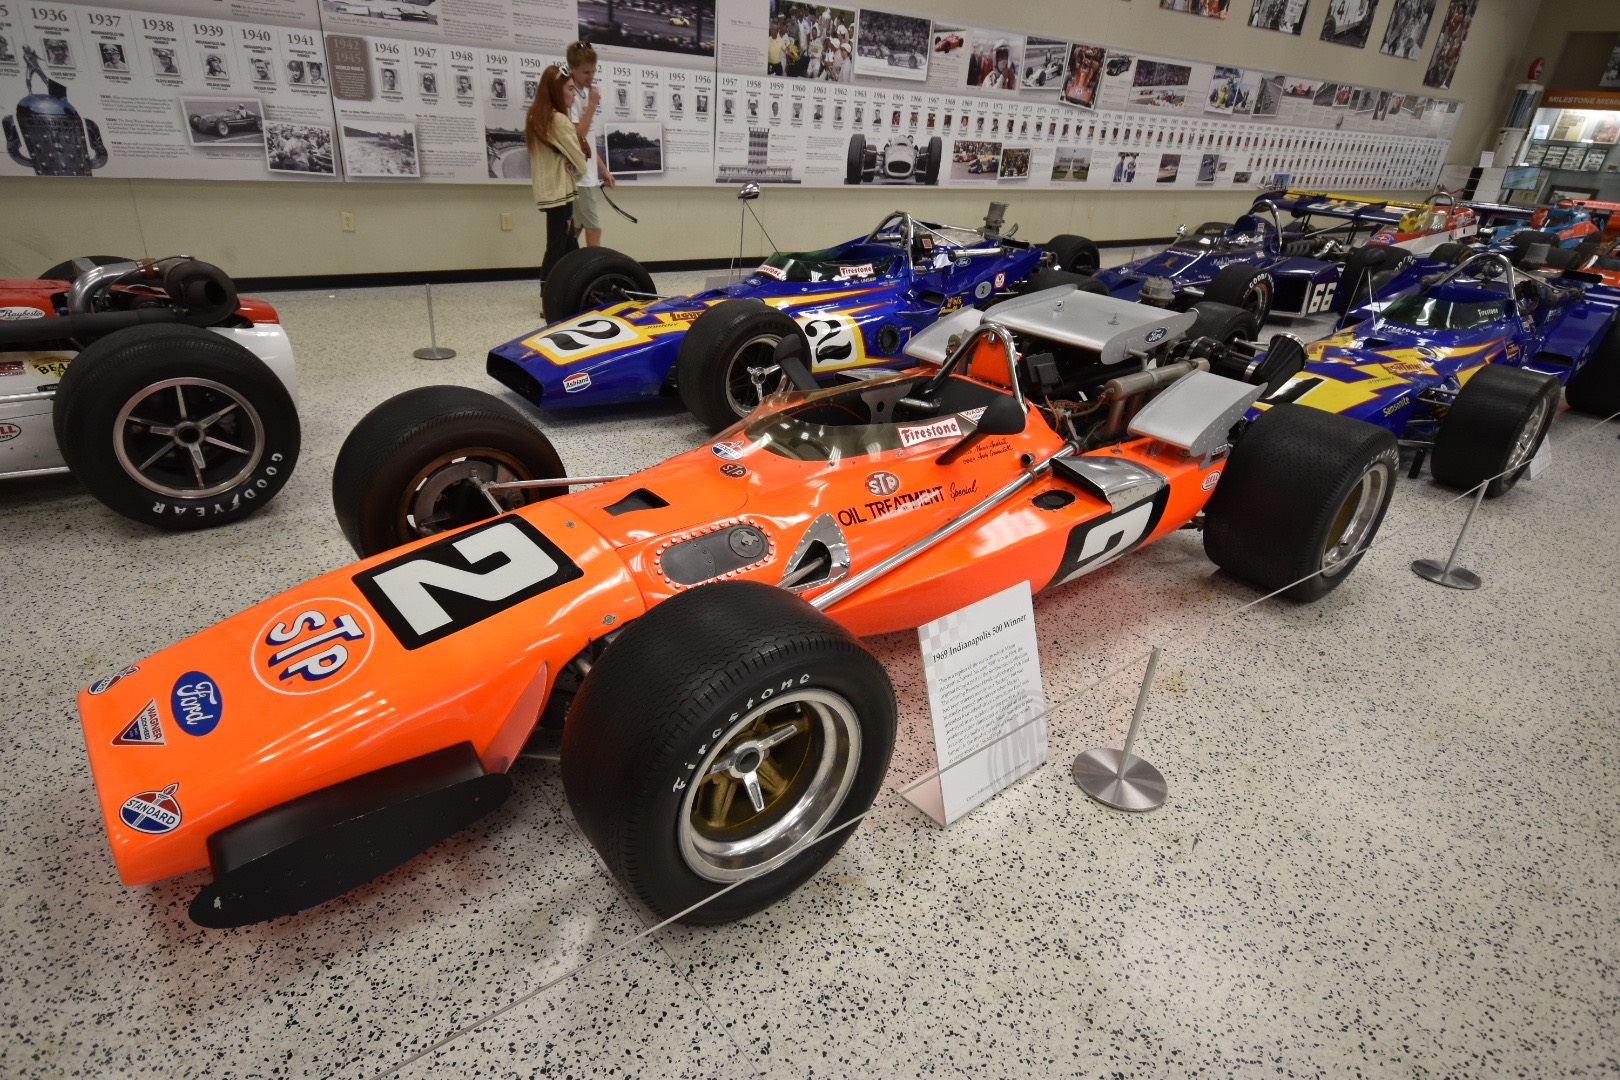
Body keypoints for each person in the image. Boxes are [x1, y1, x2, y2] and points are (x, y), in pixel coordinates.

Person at [527, 64, 589, 283]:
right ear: (556, 91)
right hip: (560, 191)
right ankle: (547, 293)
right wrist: (576, 170)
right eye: (570, 89)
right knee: (557, 244)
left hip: (548, 190)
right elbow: (580, 160)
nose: (574, 94)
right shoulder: (559, 120)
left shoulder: (536, 117)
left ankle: (580, 283)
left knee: (568, 241)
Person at [564, 41, 615, 249]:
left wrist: (603, 169)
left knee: (575, 230)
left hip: (587, 175)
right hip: (581, 177)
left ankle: (560, 266)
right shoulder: (571, 96)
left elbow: (588, 143)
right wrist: (593, 105)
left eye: (593, 71)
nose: (591, 76)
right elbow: (577, 137)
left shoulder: (584, 93)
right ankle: (596, 270)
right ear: (572, 69)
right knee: (594, 229)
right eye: (586, 72)